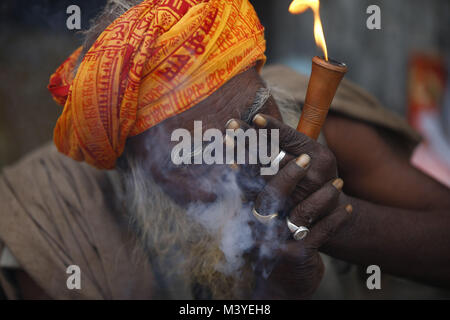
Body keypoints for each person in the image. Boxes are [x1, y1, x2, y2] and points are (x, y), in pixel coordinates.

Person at [0, 0, 449, 300]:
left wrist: (335, 220)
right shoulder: (48, 220)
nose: (246, 166)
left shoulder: (311, 116)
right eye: (198, 155)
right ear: (132, 166)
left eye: (256, 113)